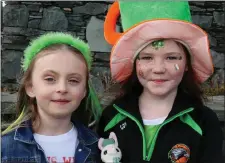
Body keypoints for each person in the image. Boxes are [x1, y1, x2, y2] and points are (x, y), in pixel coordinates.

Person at [97, 1, 223, 163]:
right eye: (147, 57)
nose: (158, 69)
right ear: (134, 64)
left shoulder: (204, 121)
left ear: (186, 64)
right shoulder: (111, 117)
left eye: (171, 57)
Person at [2, 32, 102, 163]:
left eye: (73, 80)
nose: (62, 88)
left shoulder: (99, 148)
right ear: (31, 87)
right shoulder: (5, 149)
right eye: (50, 79)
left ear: (84, 91)